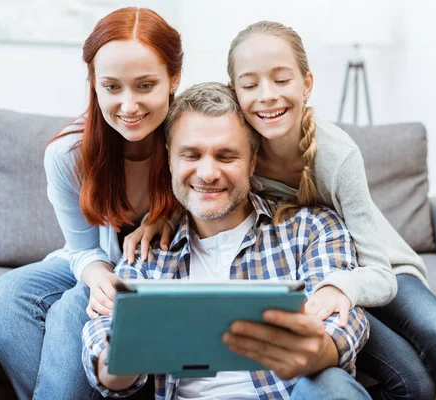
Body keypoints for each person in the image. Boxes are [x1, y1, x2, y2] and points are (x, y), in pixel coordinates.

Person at [226, 21, 436, 400]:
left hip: (378, 268)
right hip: (317, 275)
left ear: (307, 84)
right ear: (234, 92)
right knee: (414, 381)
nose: (266, 96)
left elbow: (380, 274)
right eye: (250, 85)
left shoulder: (337, 154)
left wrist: (344, 287)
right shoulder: (235, 152)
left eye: (281, 80)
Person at [82, 82, 371, 400]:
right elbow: (103, 344)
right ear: (168, 160)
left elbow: (344, 322)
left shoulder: (311, 229)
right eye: (191, 155)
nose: (207, 173)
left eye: (226, 156)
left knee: (332, 383)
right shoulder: (147, 252)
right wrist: (122, 355)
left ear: (252, 160)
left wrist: (316, 350)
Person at [0, 7, 181, 399]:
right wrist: (99, 278)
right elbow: (83, 250)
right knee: (2, 299)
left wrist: (169, 216)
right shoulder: (67, 153)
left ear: (174, 78)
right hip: (97, 263)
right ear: (93, 82)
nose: (128, 105)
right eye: (111, 87)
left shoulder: (193, 139)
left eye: (145, 85)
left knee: (74, 305)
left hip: (161, 270)